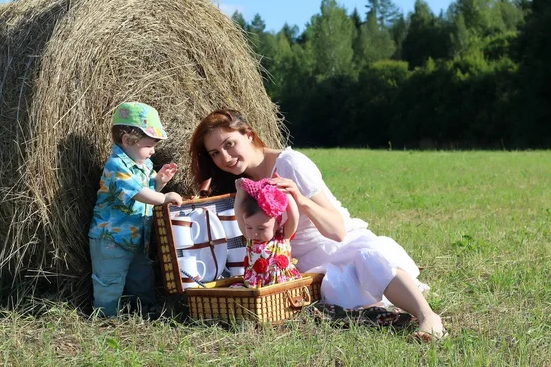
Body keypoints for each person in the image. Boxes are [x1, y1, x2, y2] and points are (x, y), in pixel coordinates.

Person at [189, 109, 446, 341]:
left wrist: (301, 200)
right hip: (306, 265)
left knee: (368, 257)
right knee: (338, 291)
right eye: (215, 153)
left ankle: (428, 317)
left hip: (340, 244)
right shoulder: (243, 185)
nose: (225, 157)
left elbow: (337, 230)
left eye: (229, 144)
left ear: (249, 135)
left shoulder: (290, 164)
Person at [88, 101, 183, 317]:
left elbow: (145, 191)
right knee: (110, 281)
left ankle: (144, 310)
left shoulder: (144, 165)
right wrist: (163, 197)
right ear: (127, 139)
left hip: (137, 239)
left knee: (141, 277)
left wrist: (159, 183)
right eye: (149, 145)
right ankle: (105, 316)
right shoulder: (115, 166)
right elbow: (137, 193)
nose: (152, 151)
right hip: (111, 239)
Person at [232, 177, 302, 288]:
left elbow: (294, 217)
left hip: (281, 287)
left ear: (277, 224)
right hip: (256, 288)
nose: (254, 233)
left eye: (261, 229)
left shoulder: (283, 238)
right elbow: (239, 214)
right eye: (249, 227)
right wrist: (240, 193)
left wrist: (286, 193)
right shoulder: (250, 239)